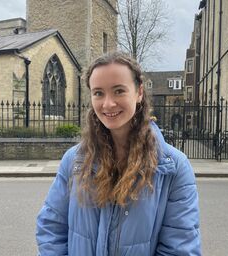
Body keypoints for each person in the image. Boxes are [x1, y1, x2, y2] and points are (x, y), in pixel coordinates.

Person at [36, 52, 201, 255]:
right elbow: (51, 228)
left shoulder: (174, 167)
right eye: (98, 93)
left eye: (119, 91)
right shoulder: (75, 160)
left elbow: (180, 247)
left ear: (139, 92)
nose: (108, 104)